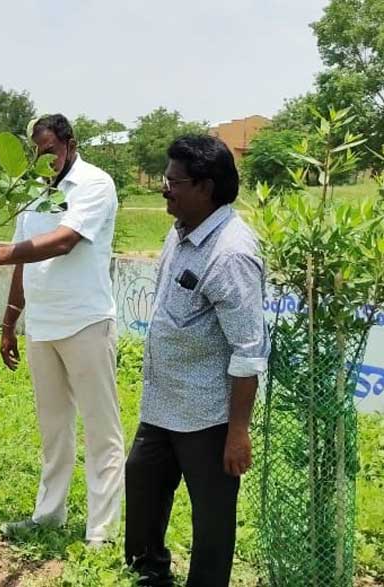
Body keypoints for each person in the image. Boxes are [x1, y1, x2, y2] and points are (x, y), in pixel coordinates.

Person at [0, 113, 125, 547]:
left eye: (48, 149)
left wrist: (0, 252)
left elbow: (66, 240)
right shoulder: (31, 191)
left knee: (100, 429)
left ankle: (101, 533)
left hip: (86, 321)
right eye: (35, 151)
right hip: (43, 327)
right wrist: (10, 322)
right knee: (54, 427)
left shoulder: (94, 184)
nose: (41, 158)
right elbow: (22, 260)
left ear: (69, 142)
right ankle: (48, 515)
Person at [123, 135, 270, 587]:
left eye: (173, 182)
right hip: (163, 403)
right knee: (143, 485)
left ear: (204, 187)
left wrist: (238, 432)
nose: (164, 189)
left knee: (212, 518)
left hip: (208, 416)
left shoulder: (231, 254)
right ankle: (150, 574)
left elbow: (249, 352)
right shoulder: (182, 229)